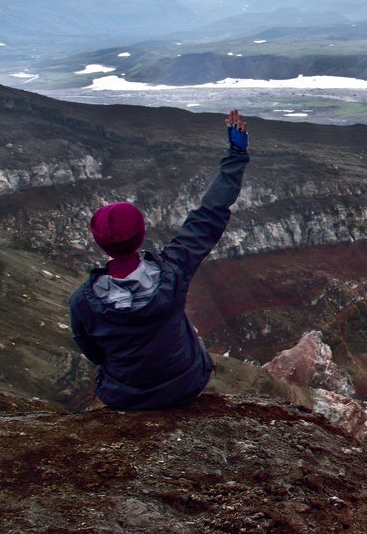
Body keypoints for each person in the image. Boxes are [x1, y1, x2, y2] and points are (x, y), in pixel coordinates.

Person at [69, 110, 249, 410]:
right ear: (142, 234)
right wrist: (237, 154)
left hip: (126, 396)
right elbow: (209, 215)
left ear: (98, 242)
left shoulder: (83, 302)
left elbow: (93, 351)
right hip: (186, 384)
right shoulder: (172, 273)